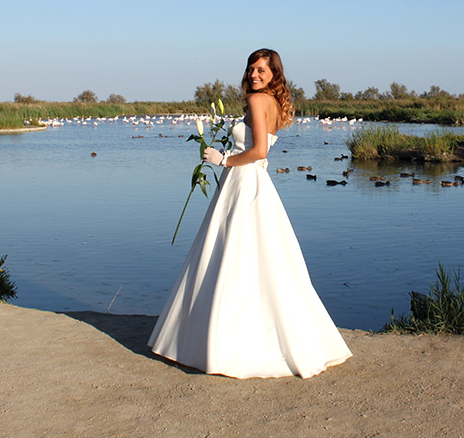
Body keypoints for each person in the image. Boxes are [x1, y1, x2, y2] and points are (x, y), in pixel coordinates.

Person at [148, 49, 352, 379]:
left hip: (244, 182)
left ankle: (219, 339)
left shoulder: (258, 100)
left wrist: (223, 159)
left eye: (261, 70)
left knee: (231, 255)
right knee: (260, 259)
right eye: (251, 68)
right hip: (254, 182)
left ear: (274, 75)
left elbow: (259, 150)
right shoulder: (271, 102)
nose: (254, 74)